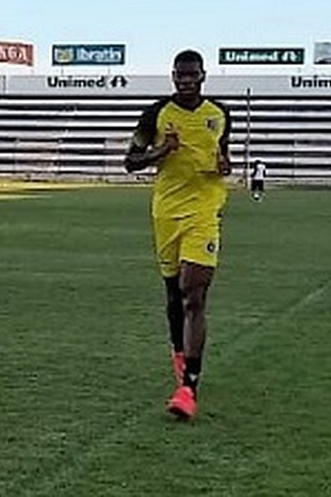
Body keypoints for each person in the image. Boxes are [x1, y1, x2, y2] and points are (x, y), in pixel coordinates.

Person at [123, 49, 231, 421]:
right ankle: (179, 352)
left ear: (203, 76)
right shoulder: (156, 114)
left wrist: (225, 165)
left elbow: (222, 157)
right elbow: (130, 161)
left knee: (193, 293)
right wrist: (161, 151)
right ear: (173, 76)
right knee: (174, 294)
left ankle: (189, 388)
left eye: (192, 74)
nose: (186, 80)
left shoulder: (218, 114)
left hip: (204, 210)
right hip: (166, 212)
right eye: (180, 75)